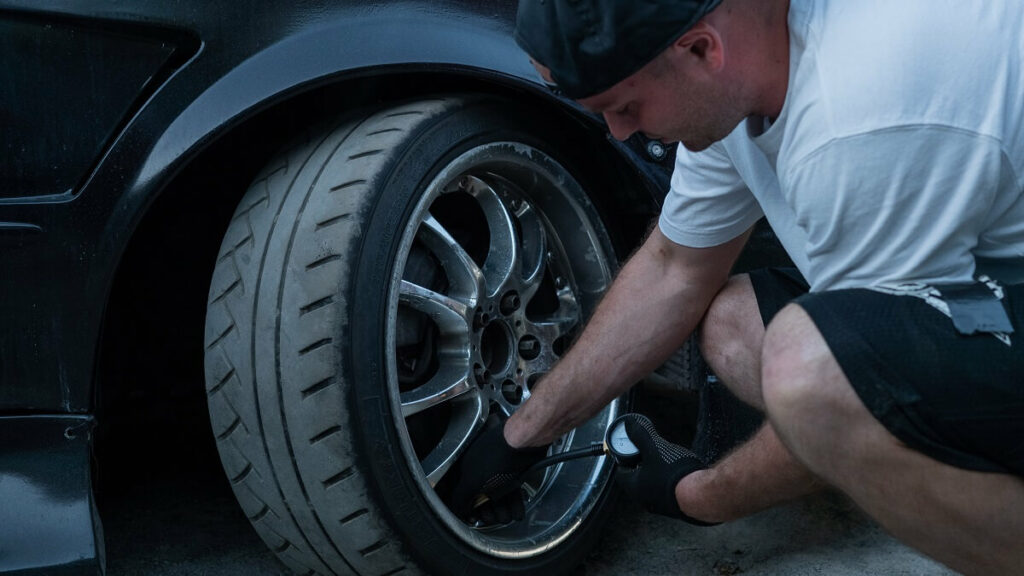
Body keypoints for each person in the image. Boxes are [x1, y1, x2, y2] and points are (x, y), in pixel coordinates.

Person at [450, 0, 1024, 573]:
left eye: (624, 106)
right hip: (981, 285)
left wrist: (699, 494)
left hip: (996, 288)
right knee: (734, 324)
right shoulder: (741, 69)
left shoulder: (858, 125)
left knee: (810, 373)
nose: (619, 131)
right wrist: (521, 435)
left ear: (701, 49)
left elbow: (857, 386)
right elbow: (677, 267)